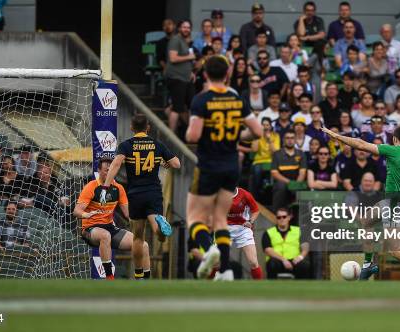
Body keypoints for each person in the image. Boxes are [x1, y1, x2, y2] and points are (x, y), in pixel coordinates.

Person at [322, 126, 400, 281]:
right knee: (367, 221)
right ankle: (368, 265)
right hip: (391, 202)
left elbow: (361, 145)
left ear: (395, 139)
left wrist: (336, 135)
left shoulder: (394, 150)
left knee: (395, 250)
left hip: (394, 205)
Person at [185, 56, 262, 281]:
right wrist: (237, 135)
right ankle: (226, 271)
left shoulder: (201, 100)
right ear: (227, 74)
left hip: (209, 166)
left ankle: (210, 250)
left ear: (205, 74)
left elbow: (194, 135)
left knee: (194, 218)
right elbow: (257, 132)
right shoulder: (236, 99)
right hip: (231, 166)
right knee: (221, 219)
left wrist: (196, 131)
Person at [100, 114, 180, 278]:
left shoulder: (126, 146)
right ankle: (160, 228)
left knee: (138, 237)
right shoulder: (157, 144)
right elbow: (176, 164)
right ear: (148, 128)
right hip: (153, 192)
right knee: (157, 229)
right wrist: (165, 163)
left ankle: (138, 274)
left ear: (131, 128)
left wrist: (106, 186)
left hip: (135, 194)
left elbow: (115, 164)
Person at [74, 158, 149, 280]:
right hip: (89, 228)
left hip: (109, 227)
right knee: (105, 235)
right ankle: (109, 277)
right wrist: (85, 215)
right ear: (98, 171)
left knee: (143, 245)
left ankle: (144, 281)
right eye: (106, 170)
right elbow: (76, 211)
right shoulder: (91, 187)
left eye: (111, 170)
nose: (109, 172)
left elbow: (129, 214)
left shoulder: (118, 188)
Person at [166, 20, 196, 133]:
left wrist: (190, 72)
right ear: (179, 28)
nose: (186, 29)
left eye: (188, 27)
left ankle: (190, 132)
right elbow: (173, 58)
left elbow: (184, 60)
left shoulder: (184, 41)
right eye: (184, 27)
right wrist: (190, 57)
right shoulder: (175, 40)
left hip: (186, 78)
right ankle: (171, 137)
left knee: (189, 106)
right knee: (177, 108)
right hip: (176, 78)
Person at [262, 208, 310, 279]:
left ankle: (301, 288)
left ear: (289, 217)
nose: (282, 219)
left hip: (294, 261)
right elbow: (268, 250)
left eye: (284, 217)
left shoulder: (298, 231)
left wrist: (300, 257)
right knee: (272, 263)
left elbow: (305, 246)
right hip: (277, 261)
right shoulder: (268, 232)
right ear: (276, 218)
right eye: (279, 217)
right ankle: (272, 287)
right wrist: (283, 259)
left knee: (304, 265)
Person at [227, 187, 262, 279]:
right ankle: (208, 285)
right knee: (216, 261)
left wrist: (250, 221)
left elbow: (256, 210)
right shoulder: (219, 194)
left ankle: (259, 287)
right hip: (224, 228)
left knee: (253, 262)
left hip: (242, 228)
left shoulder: (245, 194)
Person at [271, 129, 307, 212]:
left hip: (297, 181)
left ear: (295, 140)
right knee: (281, 186)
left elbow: (302, 172)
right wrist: (289, 183)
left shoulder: (301, 153)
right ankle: (277, 213)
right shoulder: (277, 154)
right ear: (283, 140)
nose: (290, 140)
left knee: (303, 187)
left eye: (292, 138)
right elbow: (274, 173)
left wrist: (296, 184)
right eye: (287, 138)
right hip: (282, 182)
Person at [251, 117, 280, 197]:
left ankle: (269, 190)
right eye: (263, 125)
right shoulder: (256, 135)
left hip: (271, 161)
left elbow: (276, 152)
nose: (265, 127)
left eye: (267, 125)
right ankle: (258, 192)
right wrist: (258, 136)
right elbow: (254, 150)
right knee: (257, 171)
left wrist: (269, 140)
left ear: (270, 126)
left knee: (273, 170)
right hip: (259, 161)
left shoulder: (276, 136)